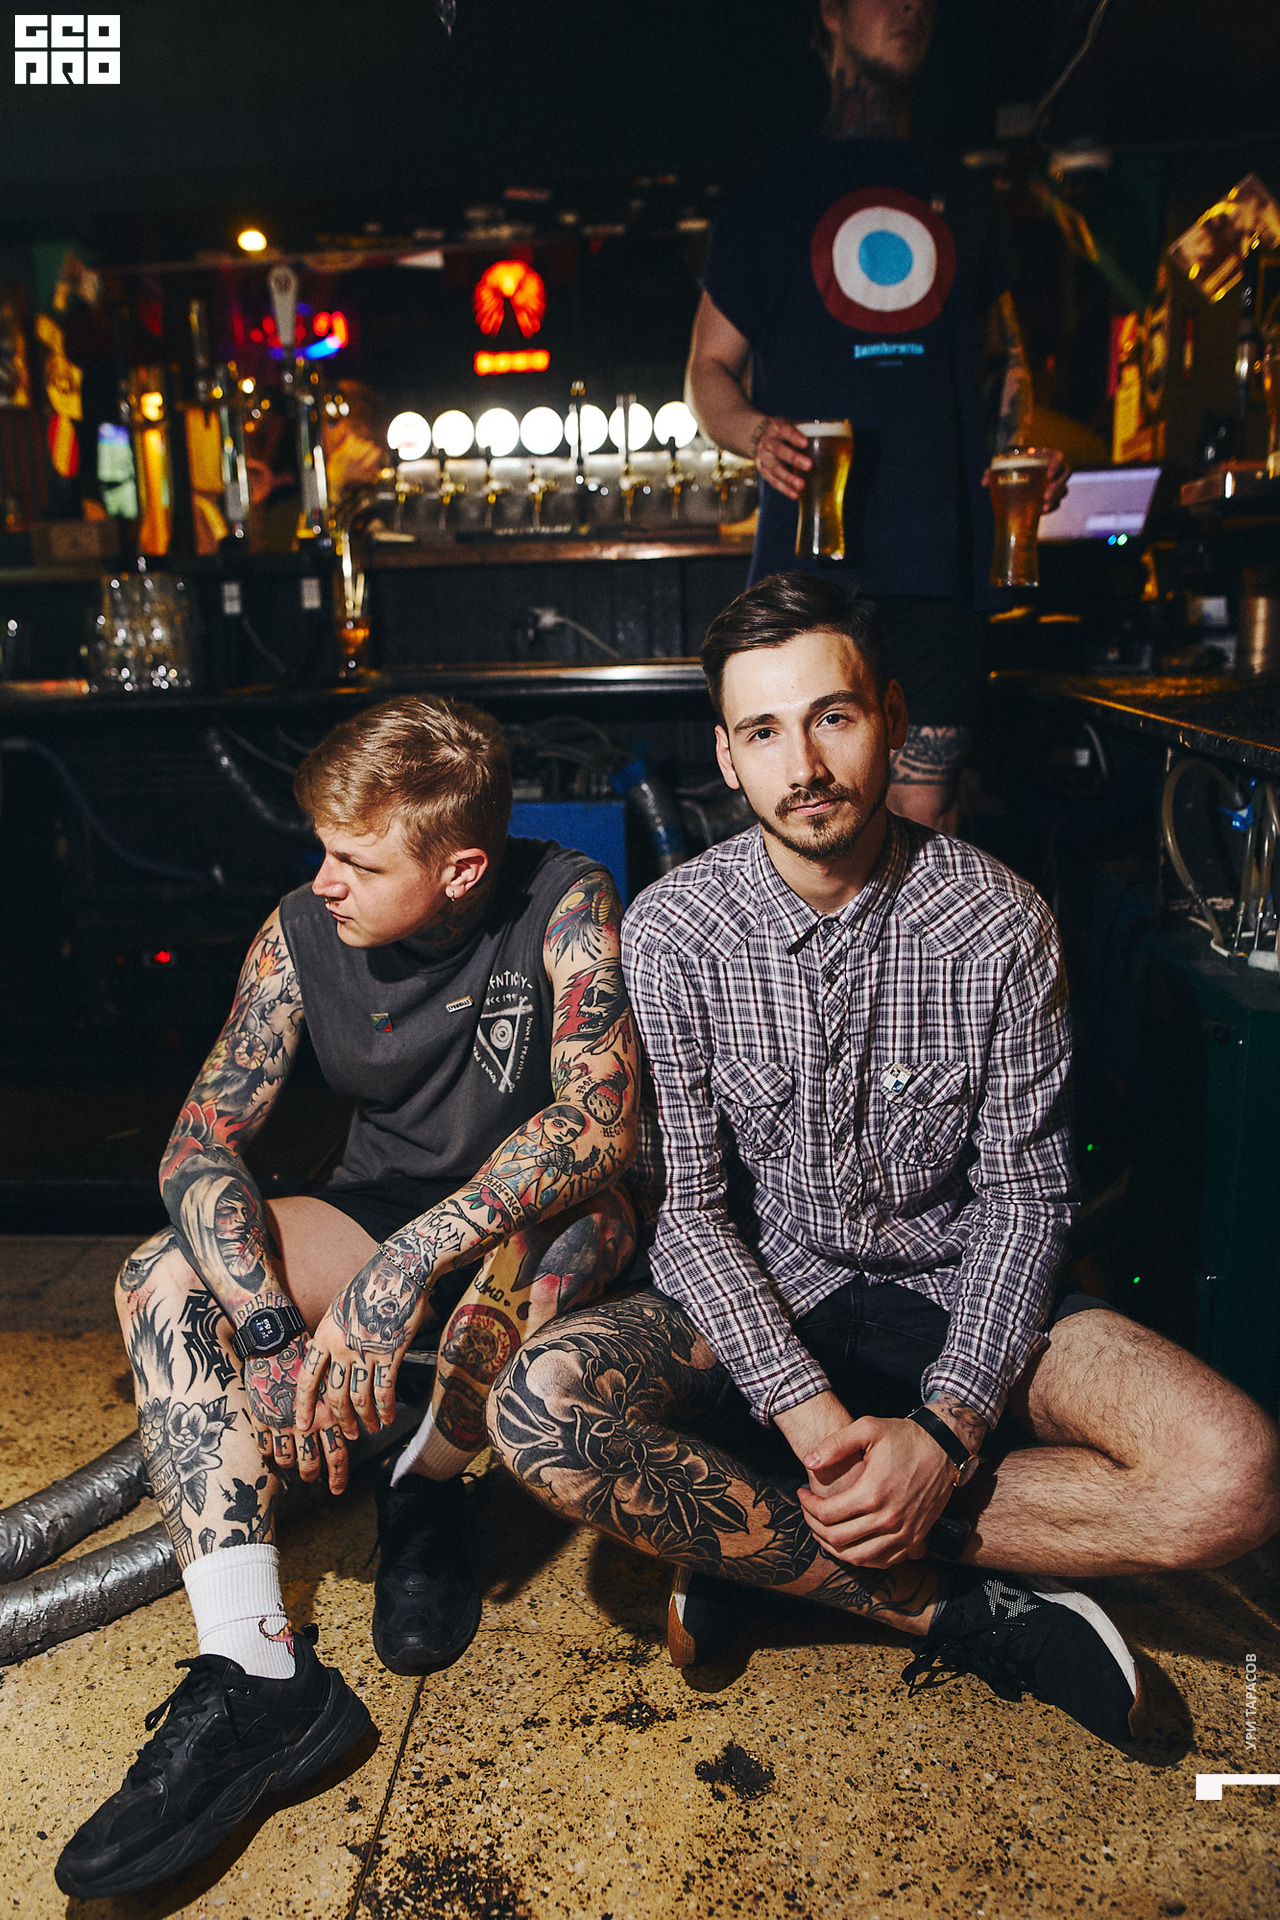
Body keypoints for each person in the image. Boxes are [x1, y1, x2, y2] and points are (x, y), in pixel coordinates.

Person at [487, 573, 1280, 1752]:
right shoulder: (672, 930)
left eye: (832, 717)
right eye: (764, 731)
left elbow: (1024, 1200)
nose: (803, 764)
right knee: (537, 1411)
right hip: (773, 1284)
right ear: (726, 756)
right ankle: (959, 1608)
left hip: (957, 1281)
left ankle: (750, 1542)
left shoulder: (1001, 922)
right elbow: (690, 1214)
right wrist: (818, 1428)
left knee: (1234, 1477)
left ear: (893, 719)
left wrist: (945, 1434)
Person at [56, 695, 639, 1899]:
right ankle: (257, 1669)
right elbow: (198, 1143)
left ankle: (423, 1491)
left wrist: (404, 1268)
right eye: (322, 850)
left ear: (459, 869)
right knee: (161, 1274)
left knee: (555, 1251)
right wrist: (269, 1324)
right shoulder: (296, 933)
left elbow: (596, 1125)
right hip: (378, 1204)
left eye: (358, 863)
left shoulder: (565, 899)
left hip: (530, 1217)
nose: (324, 881)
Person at [685, 0, 1068, 831]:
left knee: (922, 812)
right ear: (829, 11)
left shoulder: (963, 192)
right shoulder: (767, 201)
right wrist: (756, 433)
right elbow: (708, 372)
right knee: (812, 806)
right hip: (809, 566)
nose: (911, 8)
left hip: (942, 560)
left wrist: (1019, 454)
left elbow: (1002, 360)